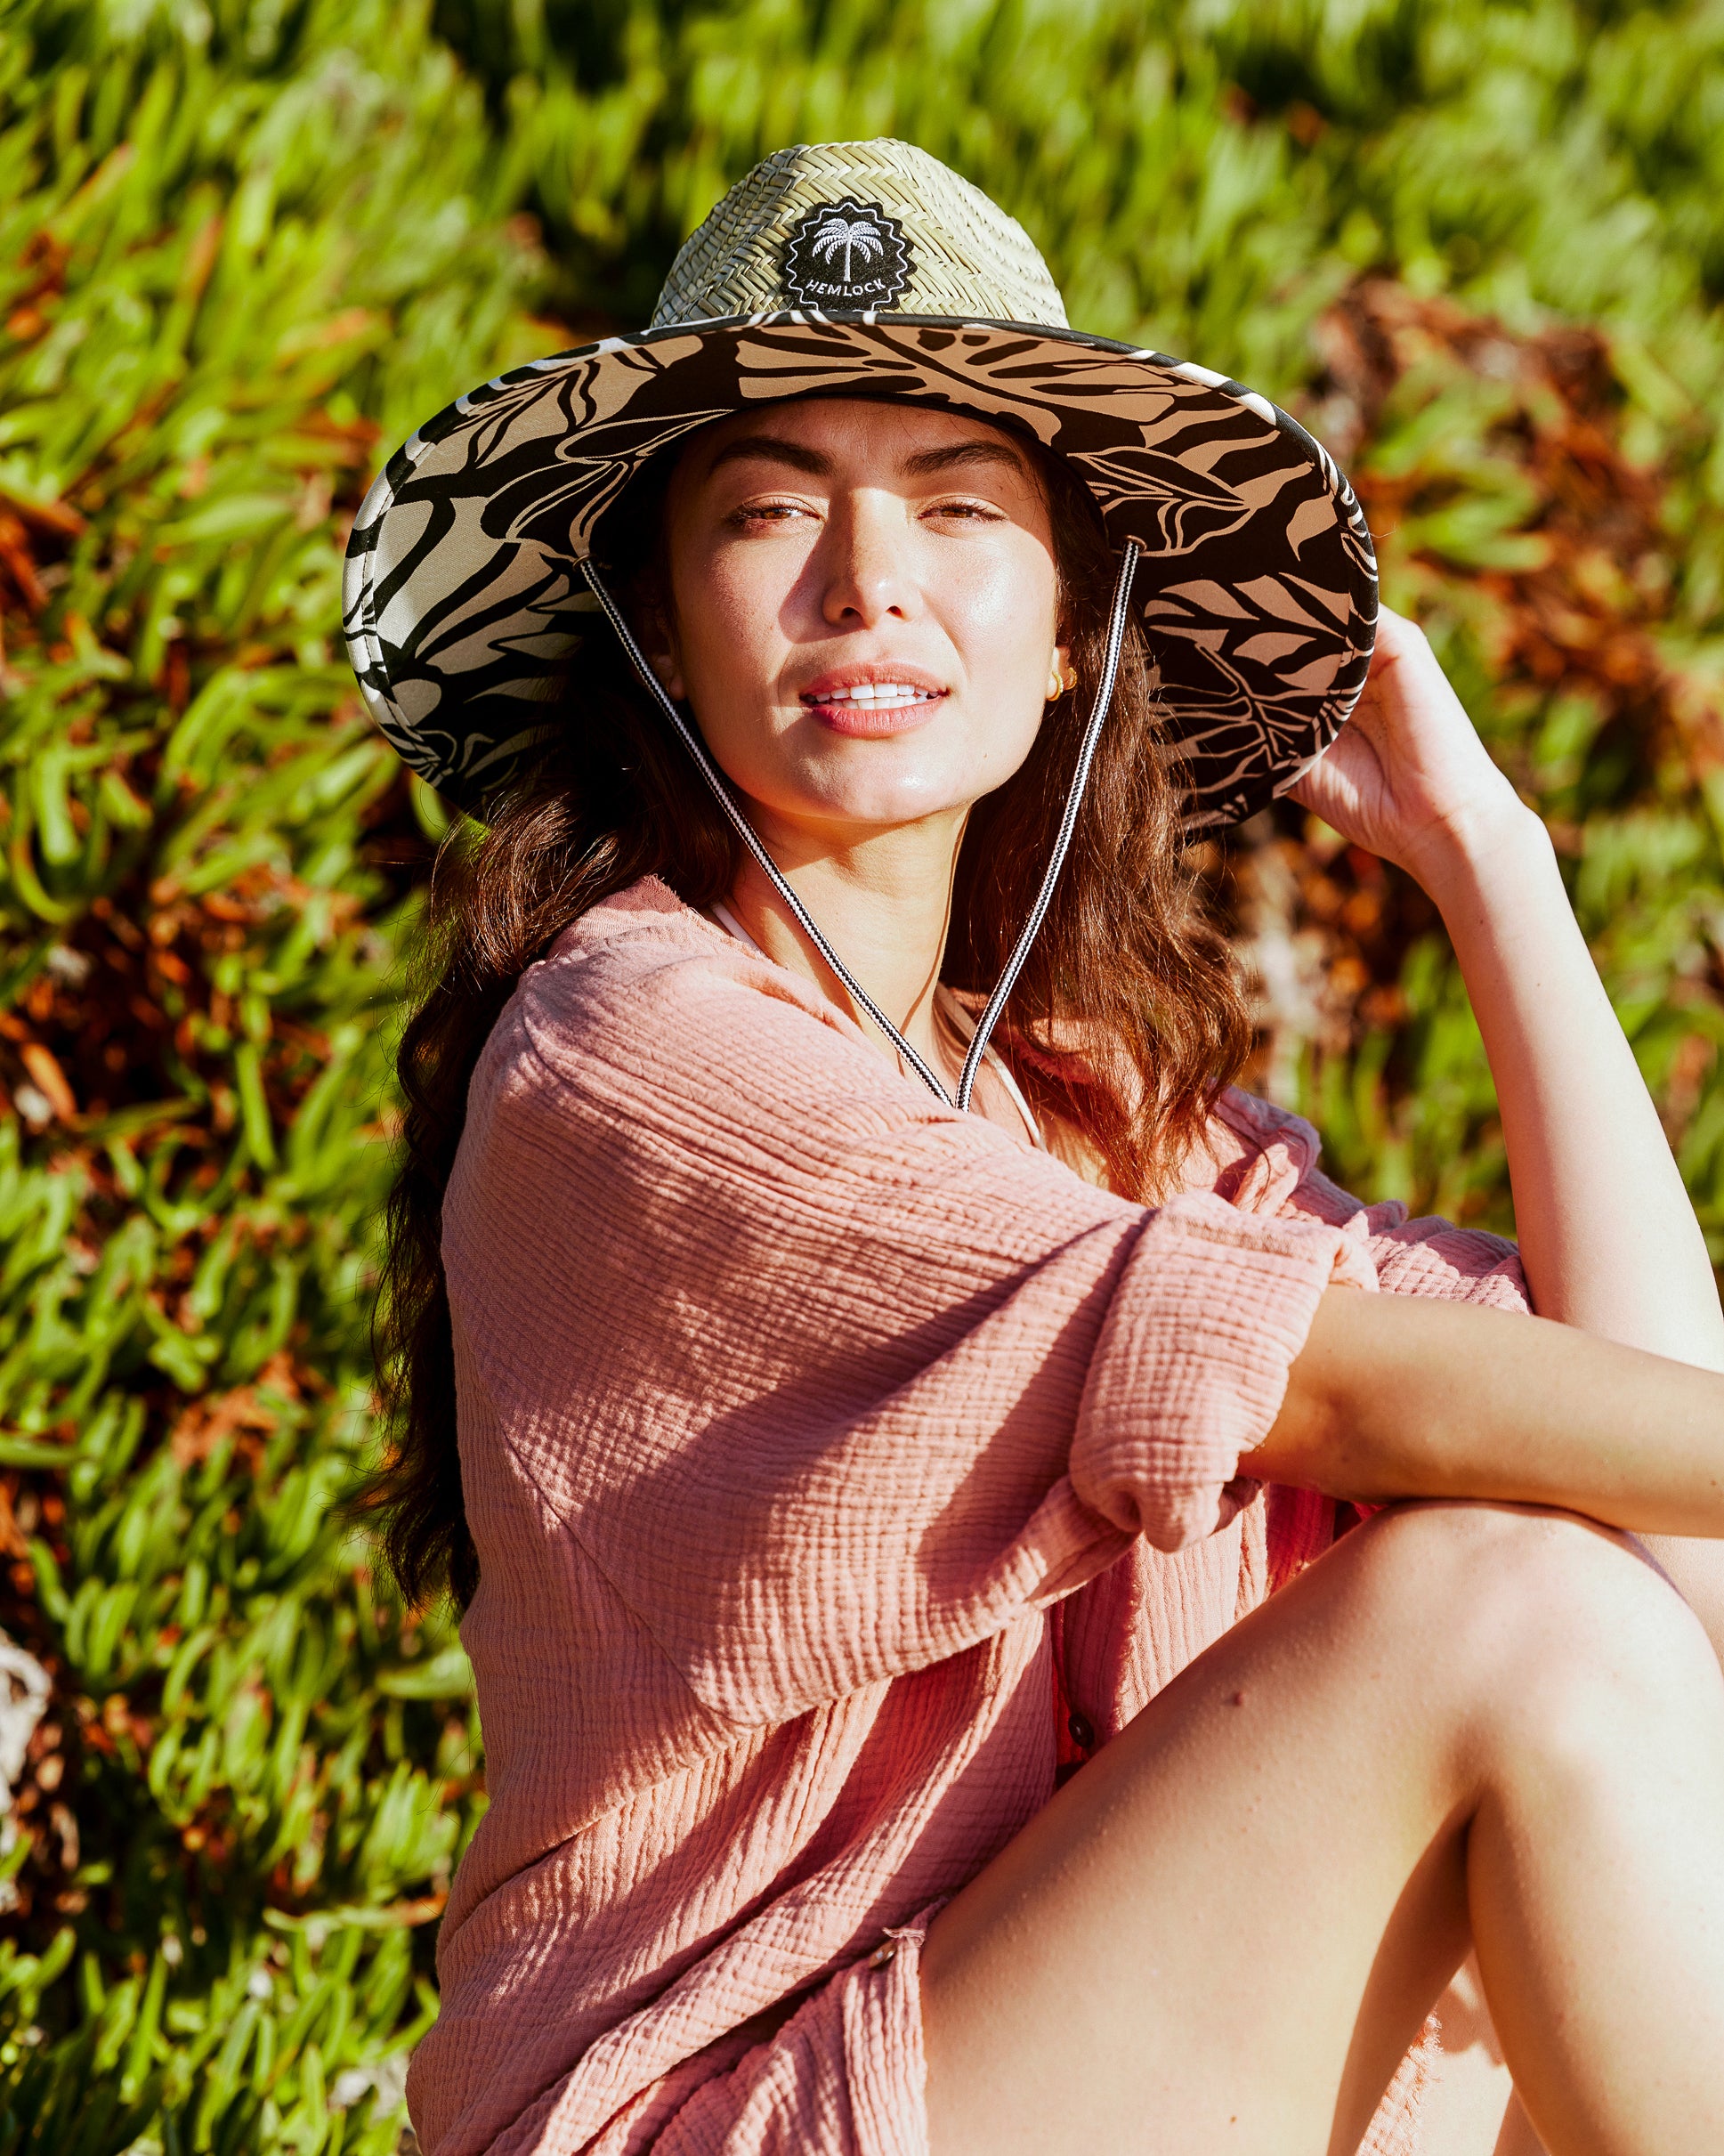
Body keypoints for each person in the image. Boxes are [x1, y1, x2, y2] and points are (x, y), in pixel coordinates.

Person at [343, 142, 1724, 2156]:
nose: (867, 580)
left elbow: (1665, 1483)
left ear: (1074, 626)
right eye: (771, 509)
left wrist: (1491, 866)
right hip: (722, 2120)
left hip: (1022, 2069)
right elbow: (1336, 1391)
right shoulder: (623, 1049)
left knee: (1605, 1623)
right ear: (657, 615)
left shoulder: (1085, 1116)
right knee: (1514, 1615)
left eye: (961, 505)